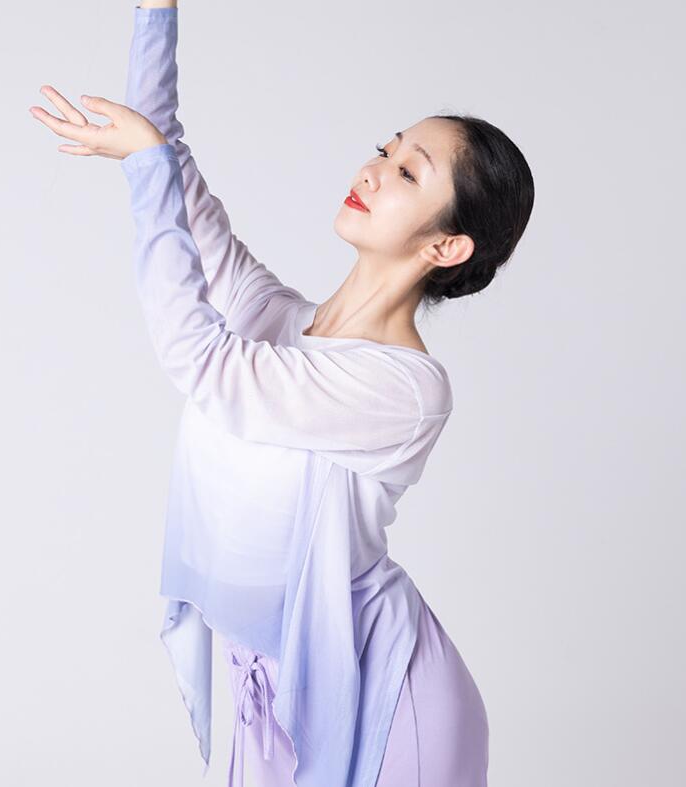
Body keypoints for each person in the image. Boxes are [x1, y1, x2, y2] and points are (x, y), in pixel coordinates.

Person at [29, 3, 534, 785]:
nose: (370, 170)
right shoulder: (273, 316)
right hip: (272, 694)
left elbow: (200, 356)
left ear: (446, 244)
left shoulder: (404, 388)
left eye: (407, 172)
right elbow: (167, 160)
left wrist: (149, 166)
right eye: (384, 149)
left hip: (381, 694)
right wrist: (155, 15)